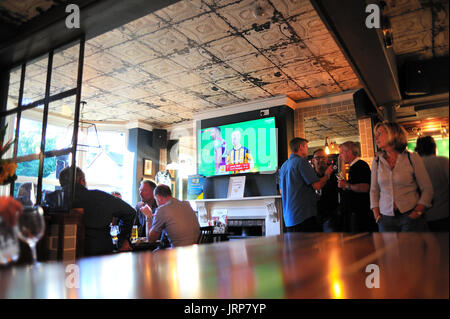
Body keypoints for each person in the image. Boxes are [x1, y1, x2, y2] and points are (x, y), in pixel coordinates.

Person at [370, 122, 433, 232]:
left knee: (411, 249)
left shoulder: (412, 158)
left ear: (392, 134)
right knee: (389, 249)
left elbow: (427, 188)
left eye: (379, 133)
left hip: (410, 215)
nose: (376, 137)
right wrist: (376, 214)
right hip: (385, 218)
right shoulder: (377, 161)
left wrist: (417, 212)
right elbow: (374, 190)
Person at [58, 166, 135, 256]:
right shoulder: (99, 196)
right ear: (82, 181)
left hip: (63, 255)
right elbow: (130, 212)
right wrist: (123, 239)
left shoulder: (55, 199)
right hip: (100, 254)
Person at [279, 137, 333, 232]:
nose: (307, 151)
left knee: (296, 246)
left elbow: (282, 191)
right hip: (303, 216)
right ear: (301, 147)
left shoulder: (284, 166)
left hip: (288, 218)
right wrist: (327, 175)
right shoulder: (301, 162)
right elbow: (317, 185)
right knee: (309, 246)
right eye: (306, 147)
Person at [338, 141, 377, 232]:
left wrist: (346, 185)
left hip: (361, 213)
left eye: (341, 152)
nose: (340, 155)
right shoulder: (354, 166)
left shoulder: (360, 165)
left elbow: (365, 187)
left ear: (349, 152)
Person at [415, 135, 448, 231]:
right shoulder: (443, 161)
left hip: (421, 216)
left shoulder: (414, 165)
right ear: (434, 148)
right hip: (444, 213)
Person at [311, 149, 340, 232]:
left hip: (331, 216)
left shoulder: (335, 174)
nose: (320, 160)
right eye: (317, 158)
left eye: (323, 158)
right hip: (314, 217)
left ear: (327, 159)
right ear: (313, 161)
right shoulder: (309, 176)